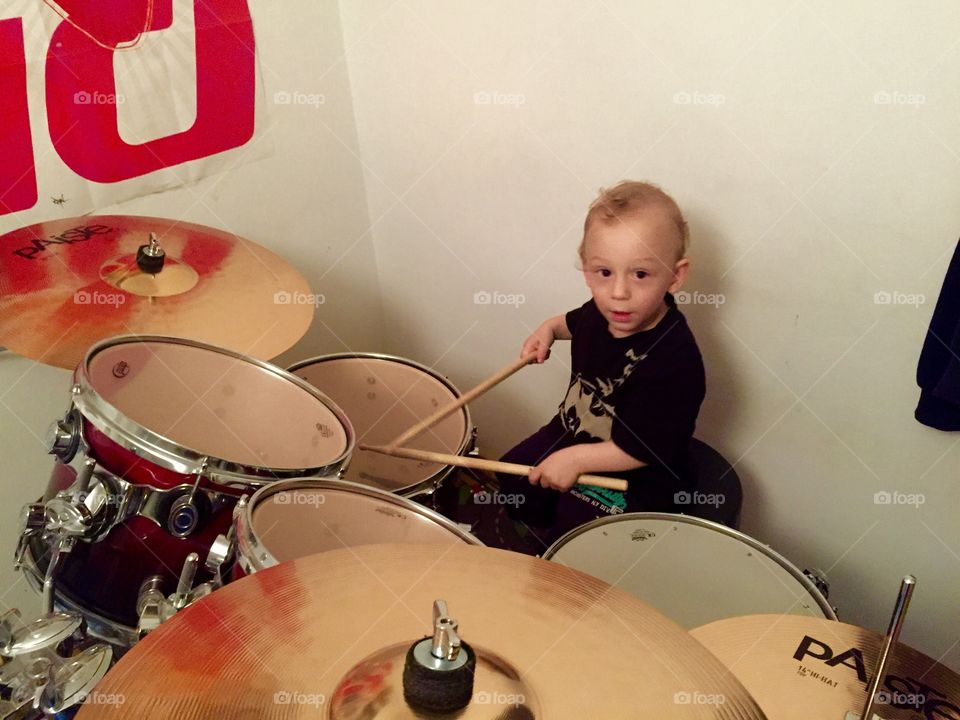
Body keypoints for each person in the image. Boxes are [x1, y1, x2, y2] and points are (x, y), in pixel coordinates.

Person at [498, 180, 705, 553]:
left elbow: (644, 449)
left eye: (640, 274)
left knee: (579, 542)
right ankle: (539, 540)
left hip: (637, 472)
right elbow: (570, 323)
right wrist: (547, 330)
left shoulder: (673, 360)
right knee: (511, 475)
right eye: (603, 273)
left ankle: (563, 566)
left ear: (676, 276)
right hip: (573, 433)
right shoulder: (602, 311)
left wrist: (574, 459)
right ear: (586, 270)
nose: (619, 292)